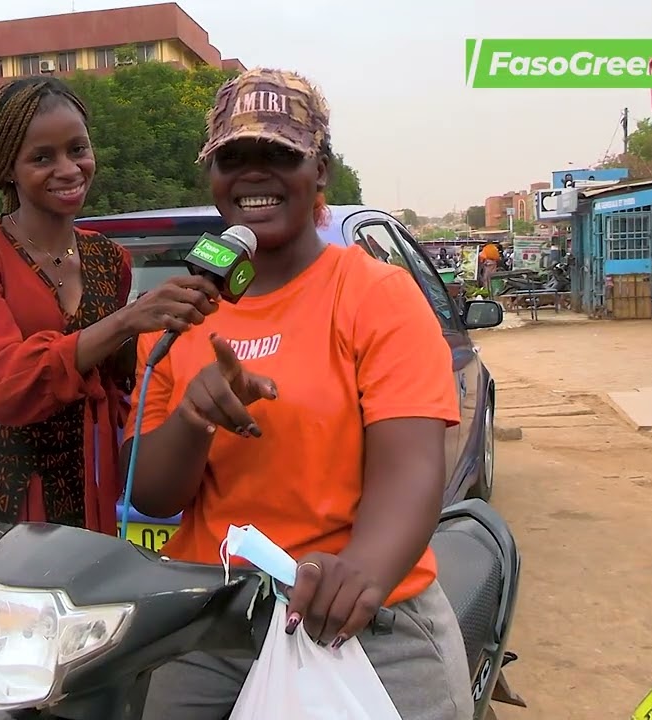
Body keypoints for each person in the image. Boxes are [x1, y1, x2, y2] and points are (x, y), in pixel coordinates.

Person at [125, 69, 474, 719]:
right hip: (214, 619)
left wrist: (362, 571)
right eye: (233, 157)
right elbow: (151, 494)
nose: (253, 173)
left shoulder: (376, 295)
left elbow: (411, 468)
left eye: (279, 154)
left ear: (321, 171)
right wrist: (194, 416)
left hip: (362, 614)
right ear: (213, 176)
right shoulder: (177, 317)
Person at [0, 76, 221, 714]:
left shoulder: (110, 261)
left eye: (77, 148)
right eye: (42, 156)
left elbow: (120, 381)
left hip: (83, 481)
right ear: (8, 167)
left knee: (77, 663)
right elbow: (0, 381)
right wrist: (125, 321)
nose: (68, 168)